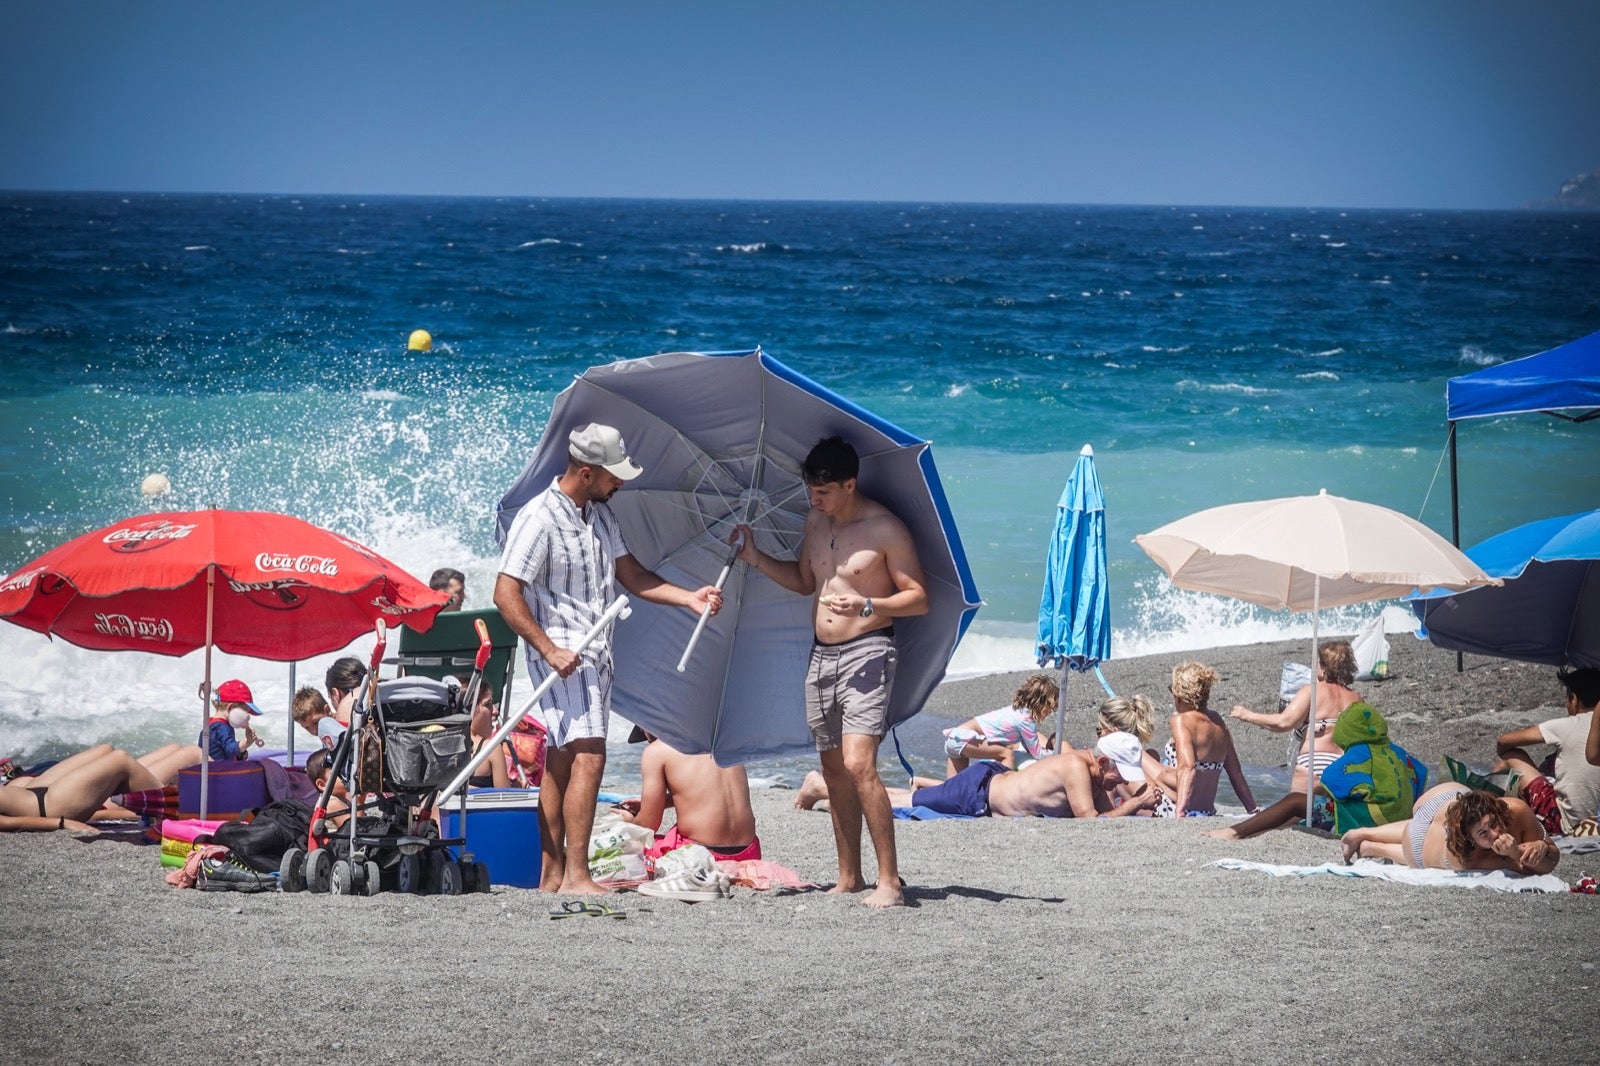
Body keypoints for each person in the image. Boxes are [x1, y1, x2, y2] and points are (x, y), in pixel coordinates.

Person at [495, 422, 723, 894]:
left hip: (595, 651)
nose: (621, 482)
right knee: (590, 756)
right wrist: (548, 648)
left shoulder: (598, 515)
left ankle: (553, 875)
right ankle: (578, 875)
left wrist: (689, 599)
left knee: (561, 760)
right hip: (561, 650)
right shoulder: (540, 518)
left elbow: (632, 575)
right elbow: (505, 591)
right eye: (613, 475)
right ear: (585, 472)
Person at [732, 435, 928, 908]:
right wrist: (754, 558)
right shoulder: (814, 522)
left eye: (822, 492)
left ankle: (891, 882)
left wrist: (867, 604)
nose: (813, 499)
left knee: (861, 764)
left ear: (849, 484)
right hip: (821, 655)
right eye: (810, 490)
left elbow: (918, 598)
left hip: (869, 649)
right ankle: (849, 876)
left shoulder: (885, 528)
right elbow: (804, 582)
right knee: (834, 770)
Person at [795, 739, 1159, 820]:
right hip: (979, 793)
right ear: (1103, 760)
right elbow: (1090, 821)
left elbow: (1108, 814)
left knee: (916, 796)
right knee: (906, 803)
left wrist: (1138, 807)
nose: (1118, 782)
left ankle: (828, 786)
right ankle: (821, 786)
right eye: (1117, 775)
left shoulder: (1092, 773)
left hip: (990, 782)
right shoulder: (1078, 768)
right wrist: (1136, 803)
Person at [1340, 783, 1561, 875]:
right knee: (1415, 853)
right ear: (1470, 839)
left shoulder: (1517, 809)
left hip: (1447, 797)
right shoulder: (1467, 856)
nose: (1495, 834)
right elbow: (1537, 869)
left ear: (1497, 810)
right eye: (1484, 834)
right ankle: (1375, 848)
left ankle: (1364, 834)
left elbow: (1553, 852)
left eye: (1494, 824)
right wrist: (1515, 853)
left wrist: (1542, 844)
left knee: (1425, 821)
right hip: (1419, 840)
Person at [615, 731, 761, 862]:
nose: (648, 740)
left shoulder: (656, 750)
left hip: (700, 854)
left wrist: (628, 822)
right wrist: (663, 802)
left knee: (623, 847)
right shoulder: (720, 740)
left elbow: (648, 825)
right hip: (748, 852)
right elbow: (707, 791)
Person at [1490, 667, 1600, 836]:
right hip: (1596, 822)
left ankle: (1486, 810)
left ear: (1574, 699)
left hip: (1567, 823)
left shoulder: (1569, 724)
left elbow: (1504, 740)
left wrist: (1502, 752)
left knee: (1510, 757)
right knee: (1552, 761)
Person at [1, 743, 201, 833]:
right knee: (120, 760)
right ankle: (177, 810)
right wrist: (62, 823)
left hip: (32, 788)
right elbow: (8, 823)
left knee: (107, 749)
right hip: (47, 806)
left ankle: (168, 799)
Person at [1152, 661, 1256, 819]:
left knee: (1137, 757)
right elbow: (1235, 773)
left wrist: (1180, 811)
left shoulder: (1181, 721)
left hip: (1173, 806)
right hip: (1207, 811)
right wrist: (1253, 810)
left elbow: (1188, 767)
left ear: (1179, 697)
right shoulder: (1218, 722)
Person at [941, 673, 1056, 775]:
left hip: (955, 738)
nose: (1050, 712)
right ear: (1042, 703)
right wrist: (1056, 754)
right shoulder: (1026, 720)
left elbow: (1028, 747)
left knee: (951, 788)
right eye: (1051, 708)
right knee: (1007, 754)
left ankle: (922, 784)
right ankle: (1003, 788)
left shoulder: (1015, 711)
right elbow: (1037, 754)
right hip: (965, 739)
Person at [200, 678, 263, 761]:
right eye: (245, 712)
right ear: (230, 708)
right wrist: (246, 743)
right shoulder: (222, 727)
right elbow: (230, 749)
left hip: (211, 768)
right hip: (221, 770)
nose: (247, 717)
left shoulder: (211, 724)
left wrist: (241, 754)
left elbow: (223, 749)